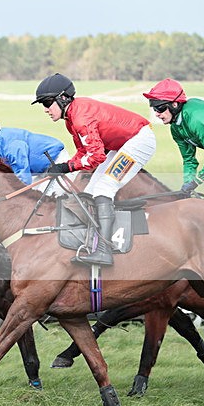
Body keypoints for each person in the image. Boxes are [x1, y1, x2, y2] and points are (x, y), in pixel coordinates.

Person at [32, 73, 157, 266]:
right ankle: (91, 241)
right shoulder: (71, 117)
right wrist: (61, 168)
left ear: (63, 98)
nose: (46, 109)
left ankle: (104, 250)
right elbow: (83, 151)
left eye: (48, 103)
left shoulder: (80, 117)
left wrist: (66, 167)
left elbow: (96, 156)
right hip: (122, 144)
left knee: (104, 187)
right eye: (43, 105)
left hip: (139, 141)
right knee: (90, 191)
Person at [143, 78, 204, 201]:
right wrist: (187, 184)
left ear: (174, 104)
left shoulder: (196, 119)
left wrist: (197, 181)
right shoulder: (176, 129)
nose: (157, 114)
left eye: (160, 108)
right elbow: (189, 159)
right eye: (154, 109)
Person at [0, 112, 68, 186]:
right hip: (43, 170)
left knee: (40, 202)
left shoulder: (11, 146)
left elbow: (24, 180)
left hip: (57, 163)